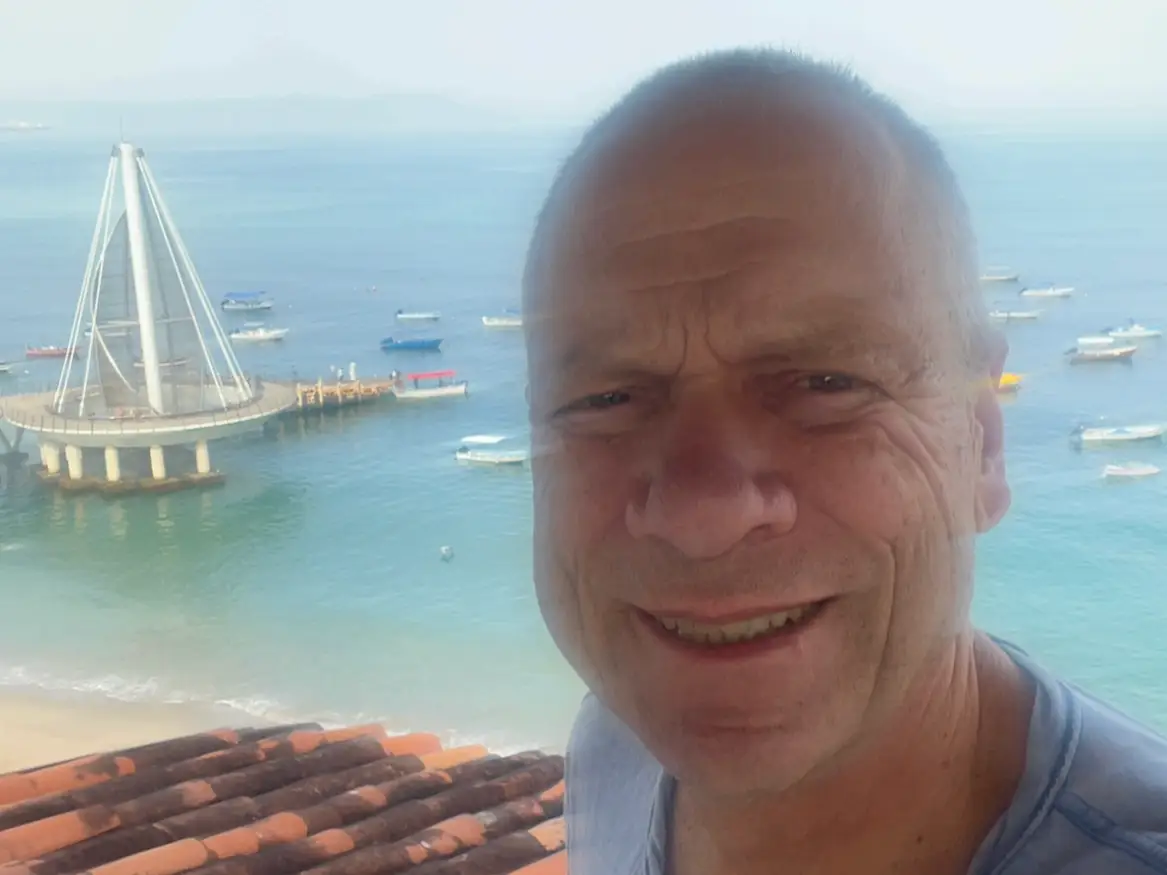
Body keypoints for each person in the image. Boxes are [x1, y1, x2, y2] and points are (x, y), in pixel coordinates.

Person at [521, 49, 1167, 875]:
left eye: (826, 383)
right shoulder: (616, 746)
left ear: (981, 442)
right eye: (603, 399)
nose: (702, 515)